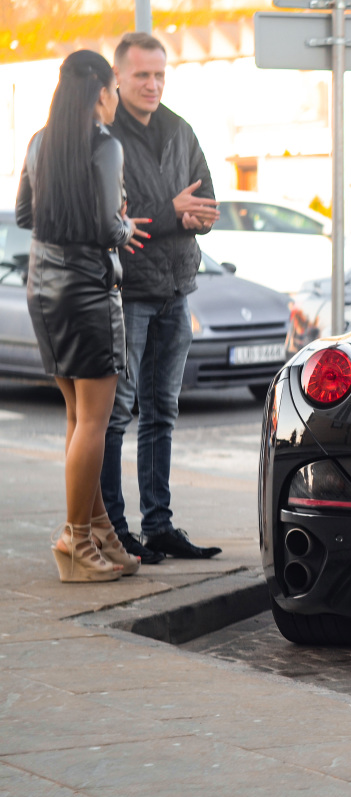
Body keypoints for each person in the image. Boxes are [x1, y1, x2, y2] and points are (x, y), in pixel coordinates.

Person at [15, 50, 149, 581]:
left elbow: (26, 214)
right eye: (114, 89)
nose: (116, 99)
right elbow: (104, 226)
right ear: (99, 91)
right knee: (94, 421)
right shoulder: (105, 145)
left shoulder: (39, 141)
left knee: (78, 418)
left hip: (43, 289)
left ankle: (97, 530)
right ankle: (74, 539)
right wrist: (123, 228)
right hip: (88, 291)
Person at [101, 32, 222, 561]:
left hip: (177, 288)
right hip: (129, 293)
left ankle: (159, 525)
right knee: (117, 411)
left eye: (159, 75)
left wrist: (181, 213)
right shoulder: (106, 135)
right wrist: (173, 212)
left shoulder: (179, 128)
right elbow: (120, 219)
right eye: (142, 76)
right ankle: (114, 526)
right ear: (119, 78)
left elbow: (207, 202)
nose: (152, 85)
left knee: (162, 412)